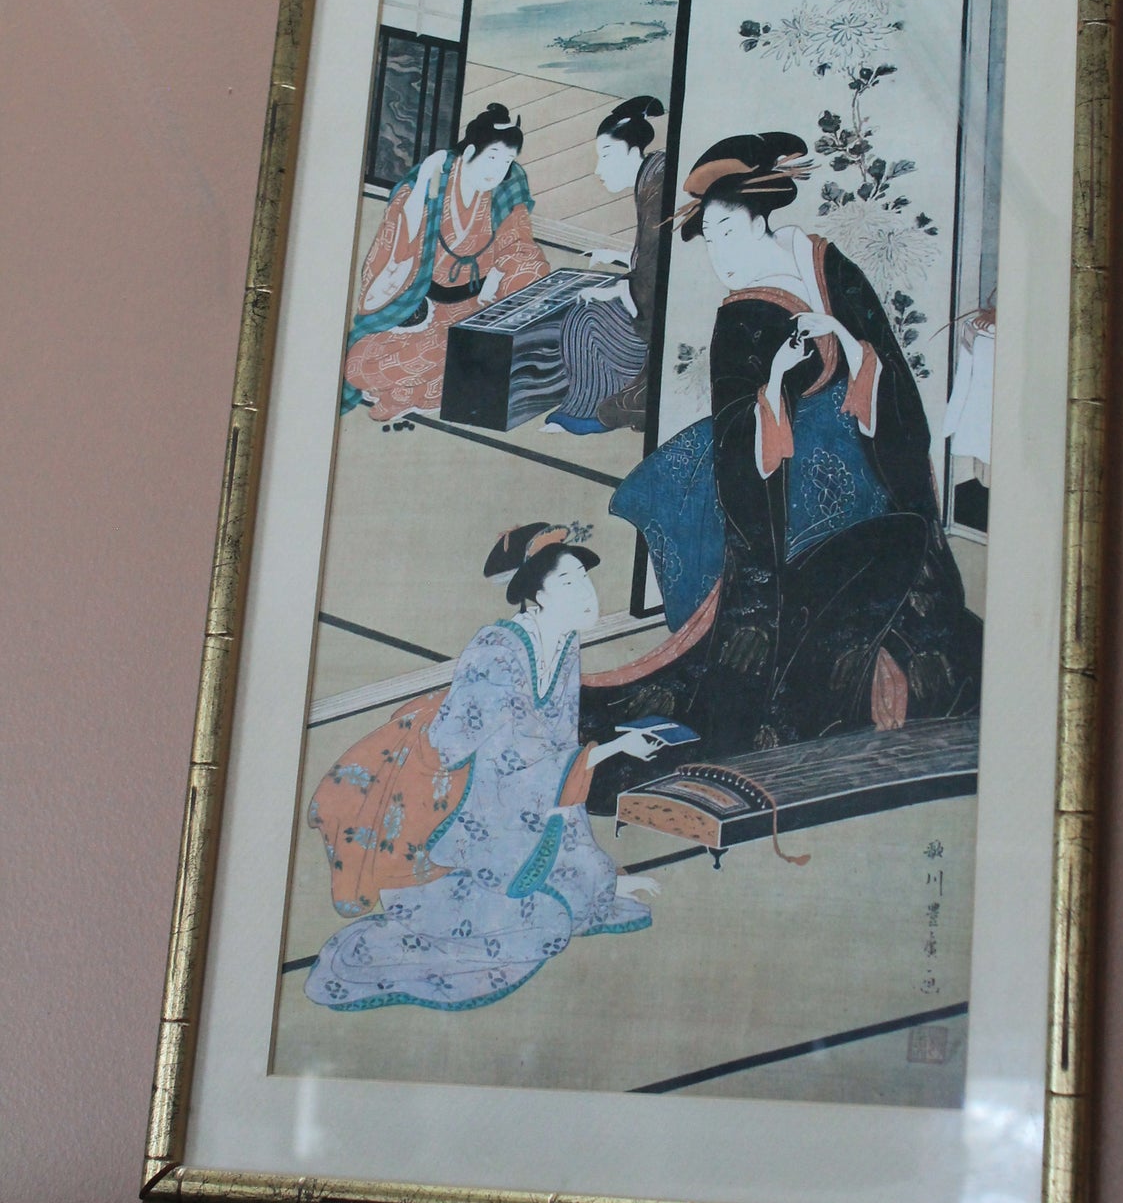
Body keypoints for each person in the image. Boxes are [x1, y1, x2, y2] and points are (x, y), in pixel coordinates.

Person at [580, 131, 982, 787]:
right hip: (783, 494)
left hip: (867, 468)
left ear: (757, 218)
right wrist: (773, 384)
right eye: (708, 240)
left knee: (921, 602)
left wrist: (846, 343)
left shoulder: (826, 264)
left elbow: (888, 369)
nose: (718, 254)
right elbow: (739, 434)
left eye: (725, 232)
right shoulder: (740, 317)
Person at [305, 524, 665, 1013]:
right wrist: (611, 750)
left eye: (585, 579)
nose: (587, 593)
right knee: (542, 929)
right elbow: (500, 765)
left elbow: (554, 757)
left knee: (586, 888)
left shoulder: (563, 646)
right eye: (569, 582)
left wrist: (598, 875)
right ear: (537, 596)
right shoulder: (498, 653)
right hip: (452, 815)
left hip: (514, 810)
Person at [342, 102, 548, 426]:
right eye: (492, 157)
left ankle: (408, 391)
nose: (498, 170)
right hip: (422, 308)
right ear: (470, 152)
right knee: (357, 366)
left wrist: (502, 278)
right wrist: (425, 178)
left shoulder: (505, 190)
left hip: (475, 308)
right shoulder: (435, 180)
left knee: (482, 343)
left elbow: (520, 247)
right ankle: (424, 387)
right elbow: (398, 242)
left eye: (507, 161)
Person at [545, 95, 666, 436]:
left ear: (633, 151)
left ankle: (590, 414)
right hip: (651, 297)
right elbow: (652, 255)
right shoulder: (653, 175)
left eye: (607, 155)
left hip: (661, 317)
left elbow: (655, 272)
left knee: (584, 319)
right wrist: (619, 259)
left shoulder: (657, 184)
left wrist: (614, 290)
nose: (599, 169)